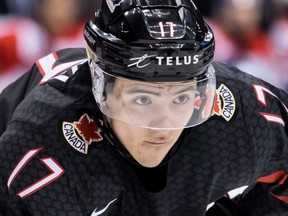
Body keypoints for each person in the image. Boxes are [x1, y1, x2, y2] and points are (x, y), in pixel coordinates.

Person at [0, 0, 287, 215]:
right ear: (101, 87)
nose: (164, 124)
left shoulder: (243, 111)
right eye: (143, 99)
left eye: (181, 98)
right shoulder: (43, 145)